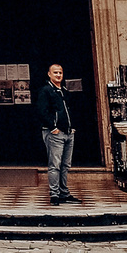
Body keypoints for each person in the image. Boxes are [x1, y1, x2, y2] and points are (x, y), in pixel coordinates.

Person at [36, 64, 79, 205]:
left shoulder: (64, 91)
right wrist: (53, 127)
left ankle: (64, 193)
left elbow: (69, 111)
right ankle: (54, 195)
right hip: (54, 133)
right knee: (55, 165)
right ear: (49, 74)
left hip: (68, 132)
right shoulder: (46, 91)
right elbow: (42, 111)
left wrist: (72, 128)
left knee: (65, 165)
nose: (58, 75)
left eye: (60, 72)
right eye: (55, 72)